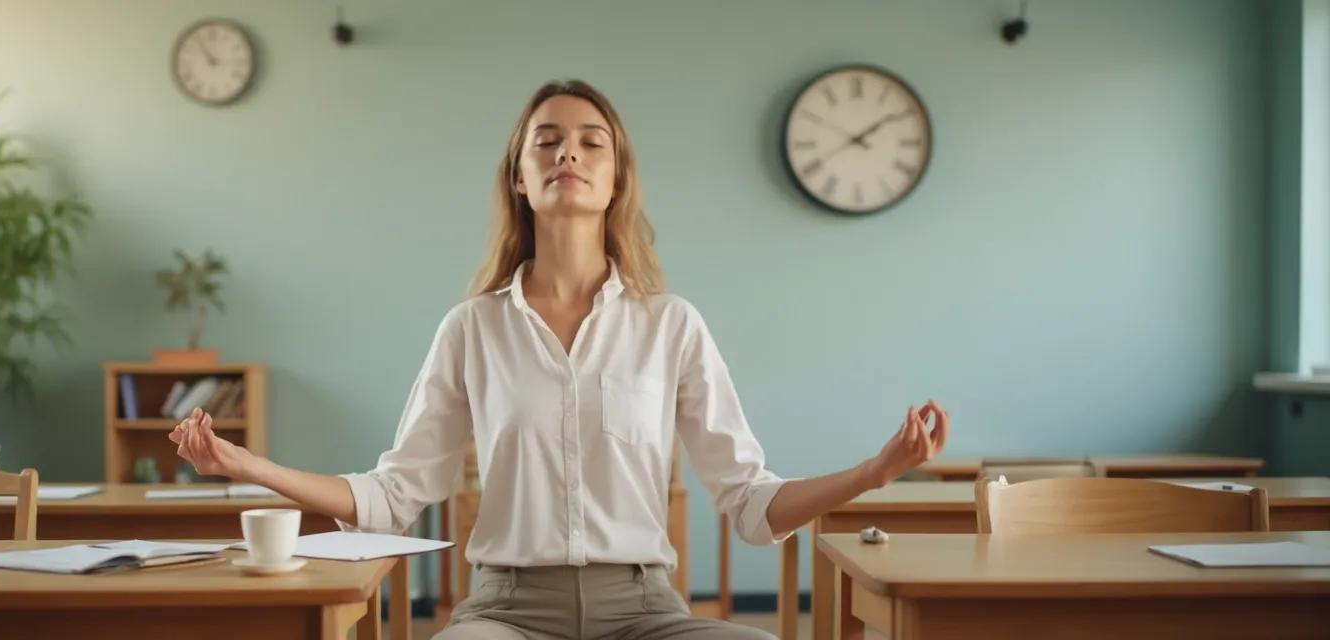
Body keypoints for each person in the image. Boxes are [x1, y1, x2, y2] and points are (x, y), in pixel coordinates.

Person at [171, 79, 950, 640]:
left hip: (647, 612)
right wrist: (248, 464)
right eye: (546, 141)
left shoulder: (671, 325)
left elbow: (750, 504)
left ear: (615, 180)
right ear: (520, 177)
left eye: (590, 142)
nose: (567, 153)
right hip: (505, 611)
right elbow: (394, 494)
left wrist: (874, 473)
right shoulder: (470, 329)